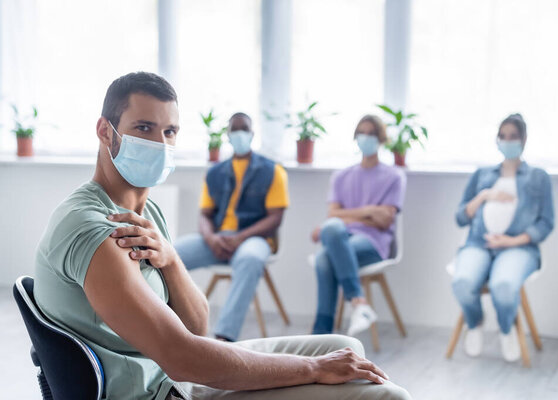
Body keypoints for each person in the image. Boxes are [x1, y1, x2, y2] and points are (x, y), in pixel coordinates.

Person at [33, 72, 411, 400]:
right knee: (388, 396)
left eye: (170, 131)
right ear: (105, 131)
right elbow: (184, 357)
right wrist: (312, 368)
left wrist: (171, 259)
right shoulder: (90, 227)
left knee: (345, 346)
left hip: (179, 372)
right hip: (163, 390)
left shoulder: (149, 215)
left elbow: (197, 328)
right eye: (143, 128)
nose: (160, 144)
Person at [174, 112, 288, 342]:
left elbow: (275, 218)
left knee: (250, 260)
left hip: (255, 239)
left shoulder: (273, 171)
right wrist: (211, 239)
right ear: (227, 135)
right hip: (218, 238)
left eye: (243, 128)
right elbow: (205, 215)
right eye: (234, 130)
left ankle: (225, 338)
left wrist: (241, 237)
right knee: (169, 253)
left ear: (252, 133)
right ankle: (166, 325)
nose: (239, 134)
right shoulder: (215, 172)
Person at [452, 113, 554, 362]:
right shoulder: (482, 174)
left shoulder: (538, 177)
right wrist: (484, 195)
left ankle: (507, 328)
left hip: (518, 248)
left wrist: (512, 241)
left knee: (504, 286)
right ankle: (474, 323)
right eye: (503, 136)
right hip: (479, 243)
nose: (507, 141)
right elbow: (460, 218)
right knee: (462, 282)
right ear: (497, 140)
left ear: (524, 139)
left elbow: (546, 223)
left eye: (513, 137)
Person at [311, 115, 406, 336]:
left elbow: (385, 220)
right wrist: (368, 211)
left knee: (325, 253)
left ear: (381, 138)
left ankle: (321, 336)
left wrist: (347, 216)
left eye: (371, 133)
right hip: (342, 238)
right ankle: (359, 303)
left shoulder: (394, 176)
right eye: (361, 133)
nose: (366, 138)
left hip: (374, 243)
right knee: (333, 230)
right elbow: (333, 214)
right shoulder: (341, 176)